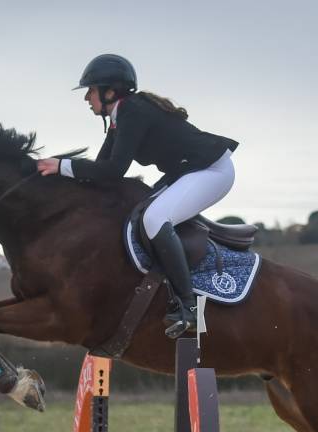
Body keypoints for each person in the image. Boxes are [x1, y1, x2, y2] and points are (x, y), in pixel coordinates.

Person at [36, 54, 238, 338]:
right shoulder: (121, 117)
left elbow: (113, 171)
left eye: (90, 91)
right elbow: (100, 169)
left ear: (109, 91)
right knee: (141, 212)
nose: (87, 99)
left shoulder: (133, 112)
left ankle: (188, 308)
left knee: (155, 218)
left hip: (212, 171)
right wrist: (59, 178)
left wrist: (62, 165)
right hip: (189, 171)